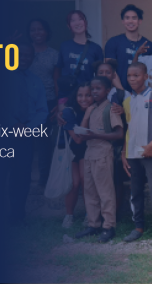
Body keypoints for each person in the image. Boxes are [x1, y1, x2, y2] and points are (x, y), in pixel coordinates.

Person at [121, 62, 152, 247]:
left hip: (151, 153)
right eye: (129, 76)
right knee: (135, 191)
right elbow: (129, 128)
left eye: (136, 75)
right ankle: (138, 227)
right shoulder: (128, 100)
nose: (132, 79)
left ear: (145, 77)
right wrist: (124, 152)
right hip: (133, 154)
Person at [74, 76, 123, 243]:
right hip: (89, 153)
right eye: (92, 89)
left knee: (105, 192)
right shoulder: (92, 108)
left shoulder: (110, 109)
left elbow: (119, 133)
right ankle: (93, 224)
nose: (94, 92)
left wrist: (96, 135)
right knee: (89, 191)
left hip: (103, 153)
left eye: (98, 89)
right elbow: (80, 134)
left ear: (107, 91)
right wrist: (87, 114)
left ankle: (108, 226)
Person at [8, 43, 48, 224]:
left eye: (28, 56)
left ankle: (17, 216)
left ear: (33, 59)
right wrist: (12, 124)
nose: (24, 58)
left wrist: (28, 128)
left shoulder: (35, 80)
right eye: (20, 55)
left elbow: (42, 110)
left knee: (22, 176)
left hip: (25, 135)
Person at [93, 59, 130, 213]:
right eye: (101, 72)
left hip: (117, 143)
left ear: (114, 74)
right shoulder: (93, 91)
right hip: (97, 143)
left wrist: (123, 109)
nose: (105, 75)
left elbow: (132, 113)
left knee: (116, 180)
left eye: (108, 72)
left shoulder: (122, 93)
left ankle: (116, 212)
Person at [27, 18, 59, 188]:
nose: (37, 33)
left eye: (40, 29)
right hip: (24, 104)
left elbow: (56, 80)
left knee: (43, 143)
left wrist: (59, 103)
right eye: (33, 30)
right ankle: (23, 178)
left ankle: (43, 180)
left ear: (46, 32)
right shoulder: (21, 51)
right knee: (25, 142)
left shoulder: (54, 54)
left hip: (46, 102)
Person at [60, 82, 93, 228]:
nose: (84, 99)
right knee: (74, 183)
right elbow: (78, 139)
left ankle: (89, 215)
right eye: (80, 95)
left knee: (85, 181)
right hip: (73, 151)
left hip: (90, 150)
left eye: (88, 95)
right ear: (75, 96)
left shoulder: (97, 109)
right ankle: (69, 216)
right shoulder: (69, 112)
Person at [54, 10, 103, 103]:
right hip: (66, 95)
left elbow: (99, 76)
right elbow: (57, 72)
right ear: (69, 26)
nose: (77, 23)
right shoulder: (64, 46)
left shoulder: (96, 48)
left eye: (80, 19)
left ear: (85, 23)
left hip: (87, 95)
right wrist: (58, 97)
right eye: (73, 20)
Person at [105, 4, 152, 92]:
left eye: (134, 18)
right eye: (127, 18)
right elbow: (110, 70)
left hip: (142, 94)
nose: (130, 21)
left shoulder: (148, 45)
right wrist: (122, 92)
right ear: (123, 21)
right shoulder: (113, 42)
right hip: (118, 92)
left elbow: (151, 72)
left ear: (140, 21)